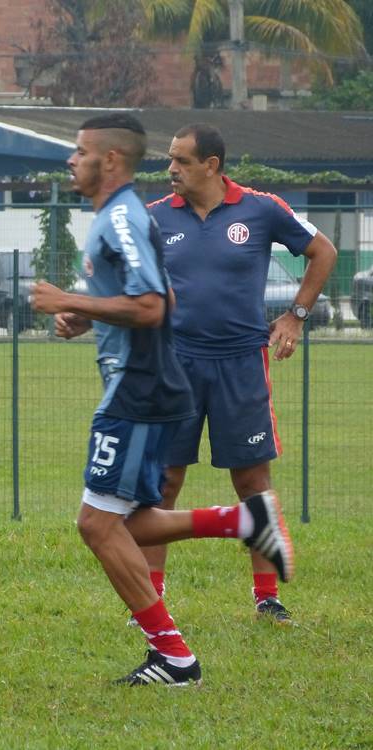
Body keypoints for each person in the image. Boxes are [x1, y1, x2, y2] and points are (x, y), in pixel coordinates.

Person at [30, 113, 295, 686]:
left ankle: (175, 656)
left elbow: (150, 307)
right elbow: (167, 296)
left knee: (99, 525)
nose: (71, 161)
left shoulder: (122, 219)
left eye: (80, 152)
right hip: (148, 379)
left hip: (138, 386)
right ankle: (240, 521)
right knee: (127, 519)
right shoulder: (139, 218)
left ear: (111, 160)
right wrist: (88, 314)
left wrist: (67, 299)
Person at [144, 124, 337, 625]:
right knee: (162, 482)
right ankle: (150, 599)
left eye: (182, 161)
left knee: (252, 482)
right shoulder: (155, 218)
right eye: (170, 160)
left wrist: (296, 314)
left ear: (211, 165)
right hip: (176, 365)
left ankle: (267, 598)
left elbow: (324, 252)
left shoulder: (261, 208)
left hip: (241, 364)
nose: (172, 170)